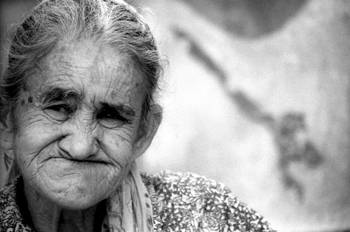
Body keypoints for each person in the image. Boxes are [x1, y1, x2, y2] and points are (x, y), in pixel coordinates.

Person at [0, 0, 275, 231]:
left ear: (143, 133)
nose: (81, 146)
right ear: (8, 120)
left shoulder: (203, 215)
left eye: (111, 115)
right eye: (58, 107)